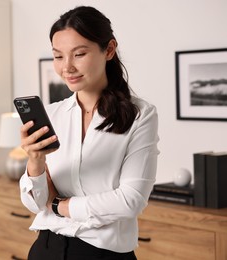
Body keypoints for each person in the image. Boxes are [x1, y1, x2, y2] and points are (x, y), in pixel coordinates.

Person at [18, 6, 159, 260]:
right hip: (46, 248)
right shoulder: (53, 114)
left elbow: (130, 200)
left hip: (104, 252)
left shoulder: (140, 115)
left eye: (79, 54)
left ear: (109, 50)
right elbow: (34, 204)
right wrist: (35, 161)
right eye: (58, 57)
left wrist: (59, 206)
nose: (67, 67)